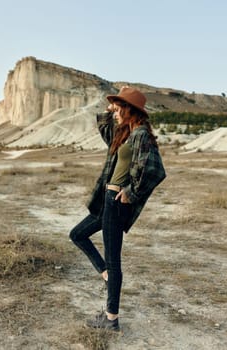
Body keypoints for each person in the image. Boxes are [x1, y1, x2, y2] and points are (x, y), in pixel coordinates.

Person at [70, 86, 166, 331]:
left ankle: (111, 318)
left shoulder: (141, 134)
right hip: (107, 201)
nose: (114, 112)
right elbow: (105, 130)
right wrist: (110, 107)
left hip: (116, 203)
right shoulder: (125, 133)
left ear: (130, 110)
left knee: (114, 261)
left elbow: (155, 170)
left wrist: (131, 193)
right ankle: (105, 274)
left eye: (119, 107)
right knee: (77, 234)